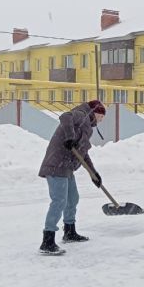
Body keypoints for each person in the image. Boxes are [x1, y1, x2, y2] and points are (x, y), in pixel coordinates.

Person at [38, 99, 106, 255]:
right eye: (101, 117)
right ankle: (47, 241)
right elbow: (65, 116)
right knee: (59, 201)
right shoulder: (82, 115)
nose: (101, 121)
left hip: (66, 167)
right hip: (56, 164)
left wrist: (93, 174)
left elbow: (83, 153)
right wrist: (69, 136)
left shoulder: (86, 127)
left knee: (72, 198)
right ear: (95, 112)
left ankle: (69, 231)